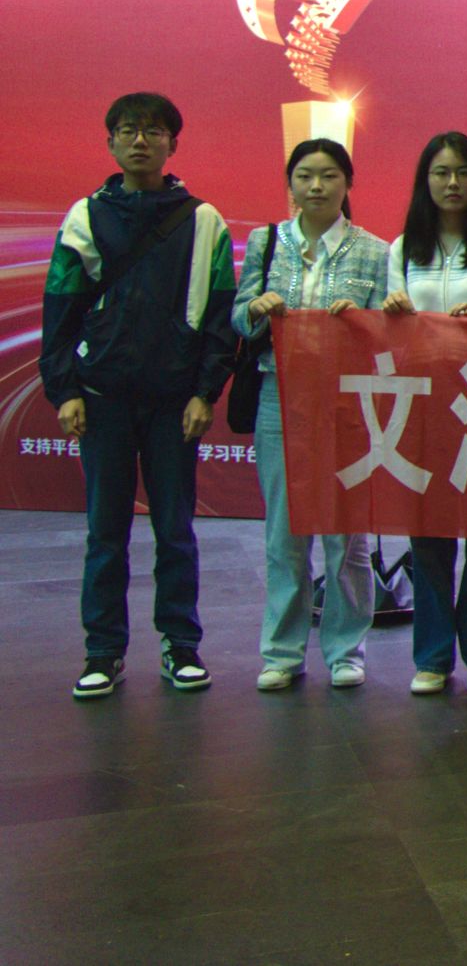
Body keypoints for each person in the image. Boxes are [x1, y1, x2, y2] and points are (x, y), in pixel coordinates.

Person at [44, 92, 236, 699]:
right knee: (106, 533)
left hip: (173, 402)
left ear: (172, 144)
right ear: (110, 142)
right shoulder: (85, 217)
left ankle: (181, 646)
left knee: (175, 530)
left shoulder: (204, 221)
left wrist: (205, 392)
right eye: (128, 130)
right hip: (101, 396)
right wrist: (65, 391)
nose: (140, 140)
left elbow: (220, 318)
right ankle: (103, 652)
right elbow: (60, 308)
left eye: (153, 131)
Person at [235, 138, 390, 690]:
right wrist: (256, 309)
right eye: (305, 176)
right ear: (291, 184)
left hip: (347, 401)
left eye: (328, 176)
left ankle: (346, 650)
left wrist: (362, 321)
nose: (317, 186)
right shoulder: (265, 243)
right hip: (279, 395)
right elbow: (238, 316)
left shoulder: (376, 251)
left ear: (348, 184)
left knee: (347, 535)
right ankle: (282, 652)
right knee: (285, 530)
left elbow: (391, 332)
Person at [383, 131, 467, 697]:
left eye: (463, 172)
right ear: (425, 181)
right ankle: (433, 656)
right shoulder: (402, 248)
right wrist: (393, 313)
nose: (452, 183)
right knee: (429, 534)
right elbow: (386, 333)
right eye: (441, 172)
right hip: (423, 405)